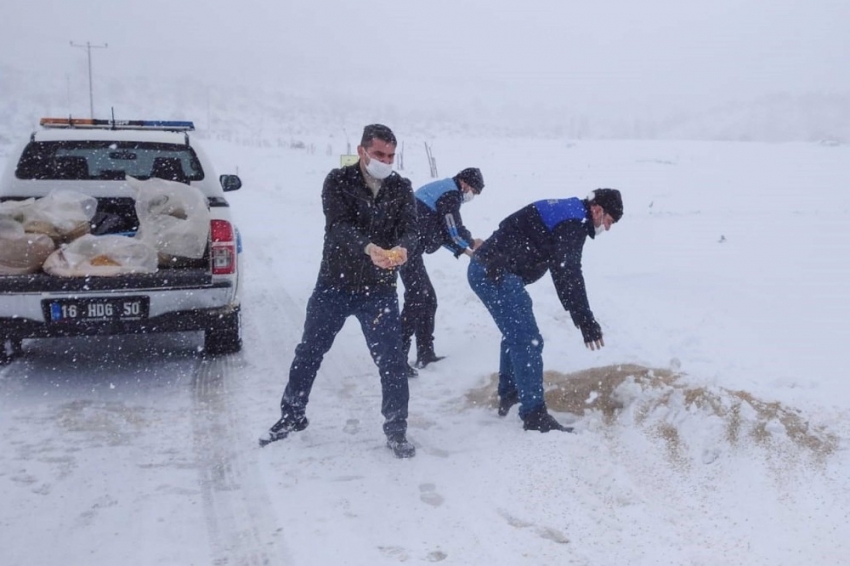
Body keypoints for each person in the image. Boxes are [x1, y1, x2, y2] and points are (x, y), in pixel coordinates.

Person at [259, 124, 418, 458]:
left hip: (380, 289)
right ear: (362, 151)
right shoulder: (338, 181)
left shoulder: (401, 188)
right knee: (310, 351)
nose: (386, 161)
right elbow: (338, 227)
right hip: (336, 284)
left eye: (391, 155)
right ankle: (292, 415)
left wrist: (402, 248)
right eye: (379, 154)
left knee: (391, 360)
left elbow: (411, 230)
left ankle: (397, 429)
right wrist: (369, 248)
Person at [467, 189, 624, 432]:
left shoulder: (570, 212)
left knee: (516, 333)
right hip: (495, 273)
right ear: (597, 210)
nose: (608, 228)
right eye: (609, 221)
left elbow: (560, 268)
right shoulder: (574, 222)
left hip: (490, 269)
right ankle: (534, 415)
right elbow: (567, 272)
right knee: (527, 340)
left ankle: (510, 395)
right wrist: (585, 320)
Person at [399, 167, 485, 370]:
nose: (472, 196)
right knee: (418, 297)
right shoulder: (450, 193)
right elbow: (452, 227)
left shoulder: (446, 191)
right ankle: (396, 358)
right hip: (402, 248)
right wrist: (471, 242)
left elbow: (440, 232)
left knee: (426, 298)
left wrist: (466, 252)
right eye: (474, 191)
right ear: (465, 183)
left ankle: (425, 353)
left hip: (409, 248)